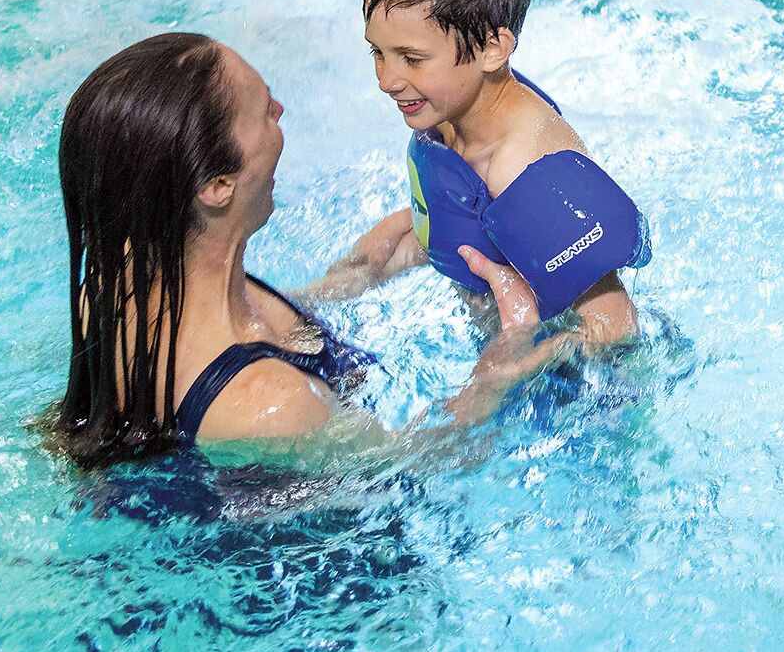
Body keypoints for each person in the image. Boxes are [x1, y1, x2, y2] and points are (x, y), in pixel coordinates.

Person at [48, 31, 579, 466]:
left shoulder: (121, 283)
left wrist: (354, 277)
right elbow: (422, 465)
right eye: (264, 113)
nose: (280, 109)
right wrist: (501, 364)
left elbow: (252, 330)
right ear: (216, 187)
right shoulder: (272, 406)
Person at [314, 0, 646, 349]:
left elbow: (616, 328)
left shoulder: (522, 169)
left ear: (492, 50)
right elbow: (476, 225)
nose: (387, 80)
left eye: (412, 59)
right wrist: (402, 240)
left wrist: (513, 356)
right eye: (378, 53)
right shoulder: (453, 112)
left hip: (575, 391)